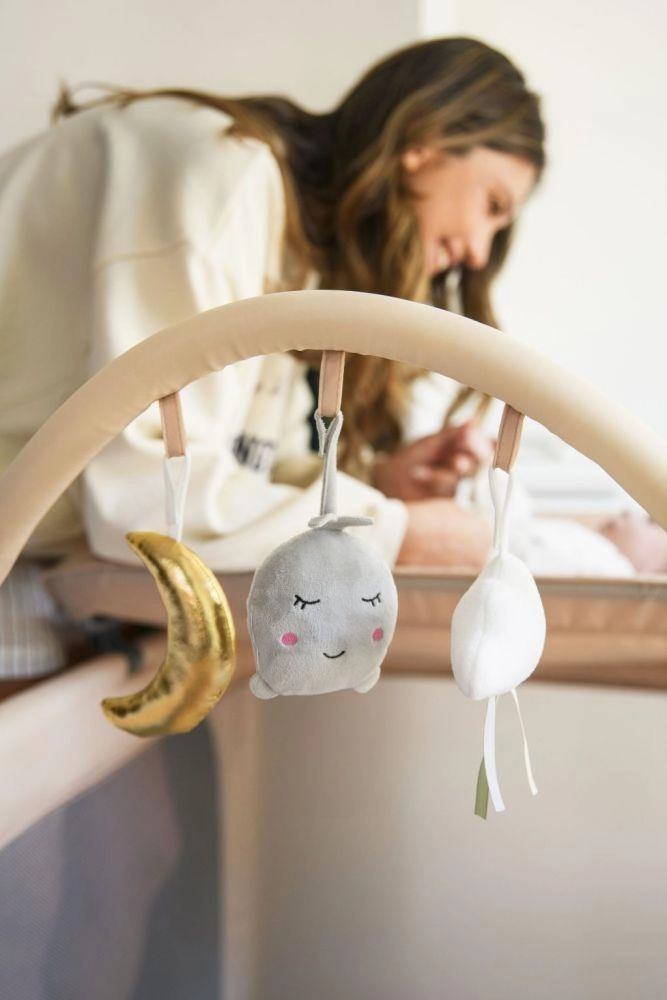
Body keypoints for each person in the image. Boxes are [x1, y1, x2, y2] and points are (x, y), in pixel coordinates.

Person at [0, 36, 663, 676]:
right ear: (425, 141)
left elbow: (225, 462)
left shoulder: (287, 247)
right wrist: (396, 531)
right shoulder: (221, 177)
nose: (477, 252)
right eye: (492, 205)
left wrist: (378, 480)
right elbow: (145, 494)